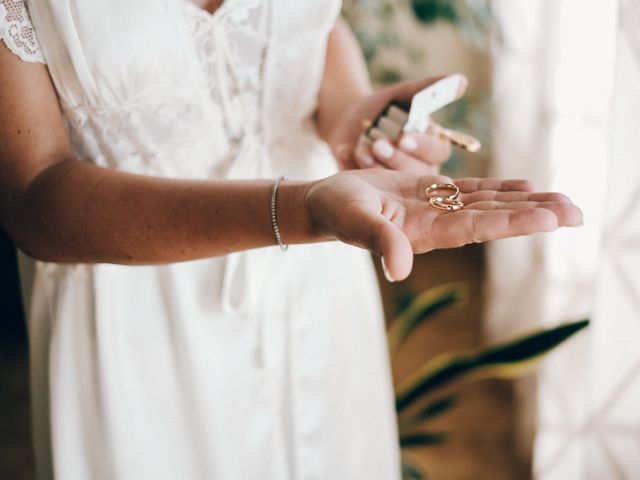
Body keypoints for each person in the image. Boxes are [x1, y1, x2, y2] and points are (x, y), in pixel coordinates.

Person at [0, 0, 582, 479]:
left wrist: (352, 115)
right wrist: (298, 208)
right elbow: (34, 194)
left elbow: (312, 28)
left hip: (319, 284)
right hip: (142, 323)